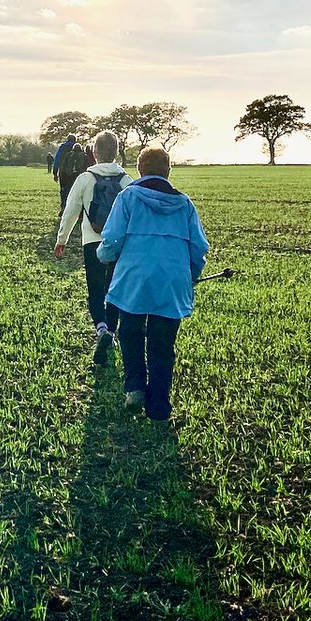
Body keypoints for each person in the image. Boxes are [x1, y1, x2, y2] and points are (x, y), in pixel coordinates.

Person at [96, 146, 210, 422]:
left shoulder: (128, 198)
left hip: (133, 278)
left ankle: (134, 387)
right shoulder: (185, 204)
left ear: (140, 170)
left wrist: (104, 257)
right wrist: (191, 274)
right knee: (162, 344)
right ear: (168, 170)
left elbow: (111, 240)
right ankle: (159, 406)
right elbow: (199, 248)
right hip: (171, 283)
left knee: (130, 332)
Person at [54, 131, 132, 367]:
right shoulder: (127, 180)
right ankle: (112, 330)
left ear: (94, 153)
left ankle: (101, 330)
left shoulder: (85, 179)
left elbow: (70, 212)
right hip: (119, 244)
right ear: (116, 153)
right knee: (115, 290)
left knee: (96, 288)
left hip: (92, 241)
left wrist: (62, 240)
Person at [52, 134, 83, 210]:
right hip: (76, 173)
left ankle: (63, 207)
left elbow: (57, 159)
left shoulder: (62, 147)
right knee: (75, 190)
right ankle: (74, 208)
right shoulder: (79, 147)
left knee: (63, 190)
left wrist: (55, 172)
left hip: (63, 172)